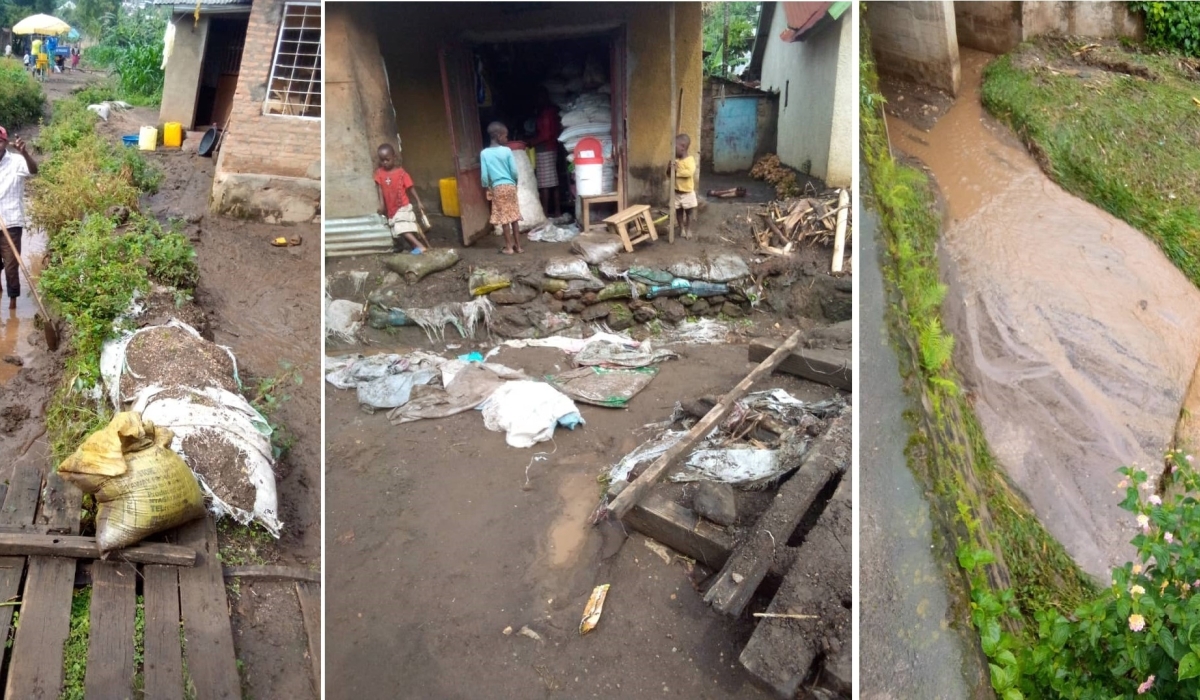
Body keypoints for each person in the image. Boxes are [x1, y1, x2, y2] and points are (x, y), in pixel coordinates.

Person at [0, 127, 39, 309]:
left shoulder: (16, 161)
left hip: (11, 222)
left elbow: (34, 170)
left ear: (5, 142)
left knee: (11, 266)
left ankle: (12, 303)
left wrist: (25, 153)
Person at [373, 143, 425, 255]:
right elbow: (380, 190)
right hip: (391, 208)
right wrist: (382, 205)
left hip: (402, 205)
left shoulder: (402, 173)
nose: (385, 163)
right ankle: (415, 249)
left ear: (394, 157)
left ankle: (420, 246)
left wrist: (419, 201)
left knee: (402, 228)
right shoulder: (379, 173)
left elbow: (410, 188)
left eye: (387, 160)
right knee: (400, 231)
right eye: (382, 160)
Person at [480, 122, 522, 255]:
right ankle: (518, 247)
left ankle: (509, 248)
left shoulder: (484, 153)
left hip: (497, 188)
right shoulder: (507, 151)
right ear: (498, 136)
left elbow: (484, 175)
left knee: (504, 218)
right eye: (505, 136)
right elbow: (514, 171)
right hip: (510, 186)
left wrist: (487, 187)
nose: (507, 139)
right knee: (514, 216)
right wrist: (514, 183)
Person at [530, 89, 561, 217]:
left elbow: (546, 135)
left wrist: (531, 141)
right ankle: (556, 211)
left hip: (545, 149)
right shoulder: (550, 111)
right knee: (553, 182)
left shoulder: (546, 113)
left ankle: (545, 213)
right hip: (551, 148)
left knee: (544, 184)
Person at [673, 134, 698, 240]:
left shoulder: (690, 160)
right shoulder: (675, 161)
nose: (672, 150)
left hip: (687, 193)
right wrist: (670, 169)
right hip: (676, 192)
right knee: (678, 212)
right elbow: (669, 175)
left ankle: (688, 229)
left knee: (689, 213)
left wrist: (676, 171)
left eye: (675, 147)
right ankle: (681, 229)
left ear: (682, 147)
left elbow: (689, 172)